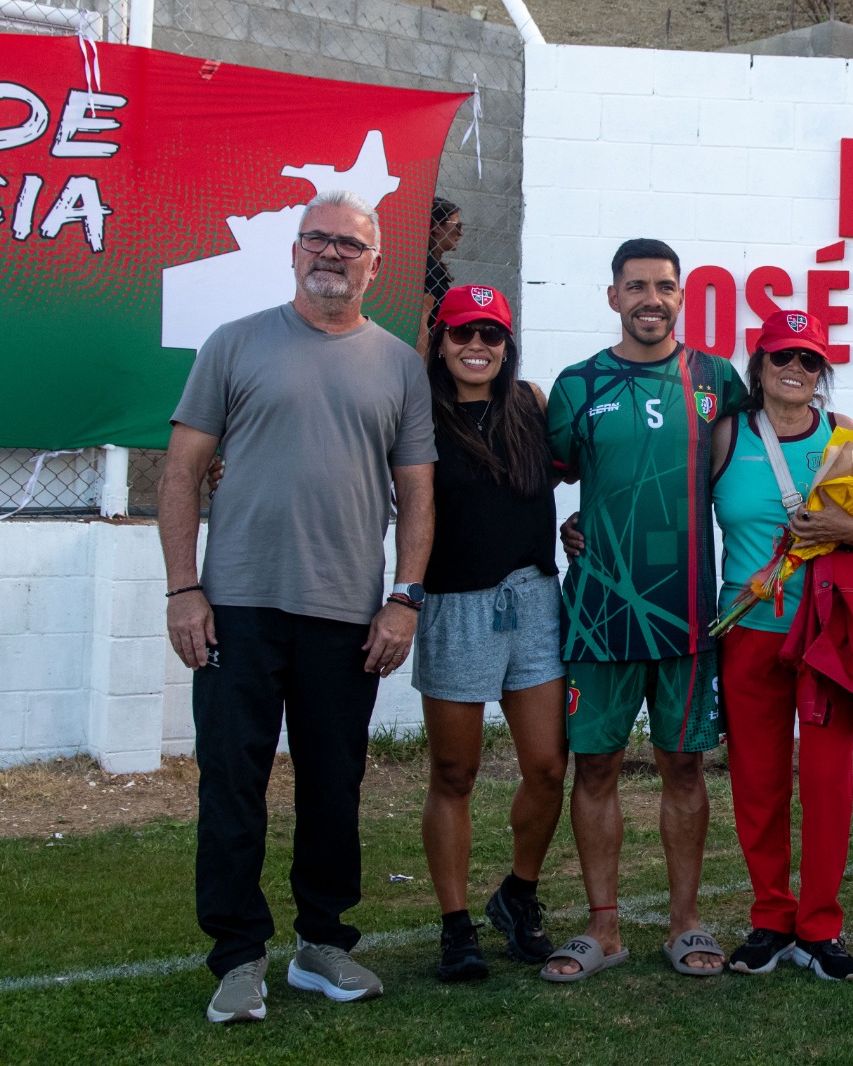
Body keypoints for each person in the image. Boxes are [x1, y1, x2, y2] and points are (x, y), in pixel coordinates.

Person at [158, 189, 436, 1023]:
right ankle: (238, 958)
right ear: (293, 251)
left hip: (347, 614)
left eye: (349, 245)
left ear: (374, 266)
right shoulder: (234, 344)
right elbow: (181, 472)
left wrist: (404, 598)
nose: (331, 253)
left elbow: (417, 495)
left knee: (332, 787)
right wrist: (183, 588)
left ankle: (323, 945)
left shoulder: (399, 366)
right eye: (318, 239)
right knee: (231, 784)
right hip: (235, 606)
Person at [539, 238, 748, 981]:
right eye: (636, 287)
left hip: (687, 611)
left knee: (684, 766)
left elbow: (750, 466)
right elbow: (543, 480)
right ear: (613, 297)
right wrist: (571, 526)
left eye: (664, 286)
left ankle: (686, 923)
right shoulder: (577, 385)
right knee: (595, 766)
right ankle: (604, 929)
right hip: (600, 609)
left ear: (682, 296)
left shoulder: (718, 379)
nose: (650, 299)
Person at [712, 309, 853, 981]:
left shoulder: (844, 435)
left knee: (827, 783)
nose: (794, 369)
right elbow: (678, 509)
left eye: (809, 359)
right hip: (749, 633)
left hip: (825, 634)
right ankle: (770, 917)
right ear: (758, 365)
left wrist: (841, 528)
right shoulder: (726, 434)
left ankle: (819, 927)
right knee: (757, 783)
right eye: (782, 356)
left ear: (822, 373)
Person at [414, 283, 567, 982]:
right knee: (456, 772)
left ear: (508, 345)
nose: (477, 346)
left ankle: (518, 895)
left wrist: (582, 525)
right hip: (455, 602)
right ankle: (455, 926)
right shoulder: (416, 412)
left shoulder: (530, 403)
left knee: (548, 766)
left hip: (532, 599)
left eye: (491, 334)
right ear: (439, 340)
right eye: (462, 332)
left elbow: (584, 468)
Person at [416, 196, 464, 354]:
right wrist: (418, 364)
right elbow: (422, 320)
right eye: (457, 226)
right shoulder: (429, 263)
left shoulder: (430, 261)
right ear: (436, 226)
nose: (461, 233)